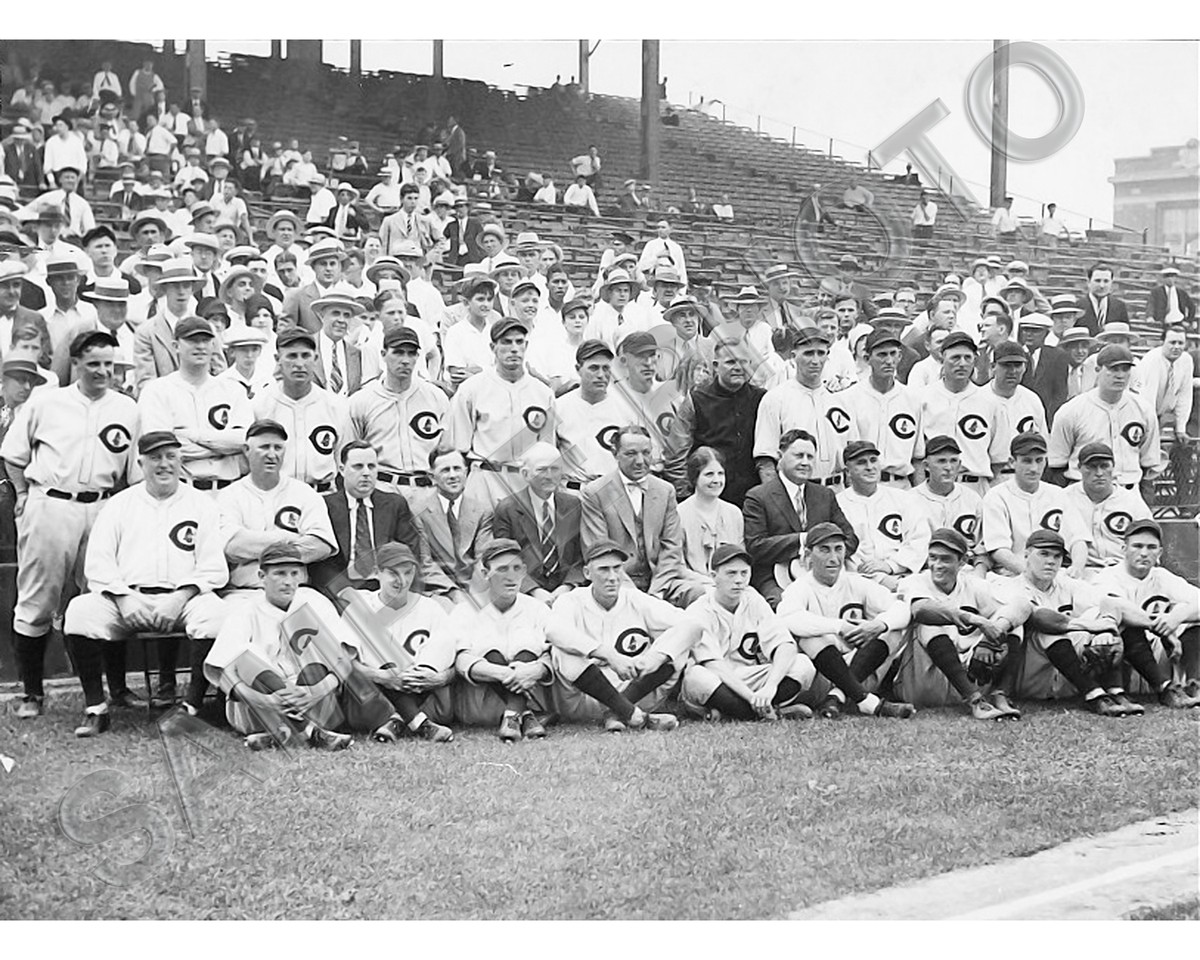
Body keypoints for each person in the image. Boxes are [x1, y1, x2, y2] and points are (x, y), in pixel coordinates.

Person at [1, 330, 138, 719]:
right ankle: (32, 693)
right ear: (76, 363)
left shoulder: (127, 409)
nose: (102, 371)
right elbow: (13, 455)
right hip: (51, 503)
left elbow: (134, 474)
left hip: (102, 505)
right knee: (37, 599)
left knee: (103, 596)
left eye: (109, 364)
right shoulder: (49, 402)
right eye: (93, 363)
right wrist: (24, 495)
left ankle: (117, 689)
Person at [62, 430, 230, 734]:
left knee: (216, 616)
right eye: (155, 458)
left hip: (183, 600)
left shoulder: (202, 504)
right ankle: (96, 709)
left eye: (170, 457)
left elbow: (213, 567)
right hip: (127, 599)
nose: (163, 464)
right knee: (79, 612)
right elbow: (98, 564)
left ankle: (190, 707)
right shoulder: (119, 504)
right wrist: (124, 599)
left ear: (181, 461)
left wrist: (180, 598)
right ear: (141, 462)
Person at [203, 541, 389, 751]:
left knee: (317, 664)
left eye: (294, 574)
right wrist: (263, 699)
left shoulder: (313, 600)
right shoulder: (245, 610)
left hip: (312, 702)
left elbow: (344, 656)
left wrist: (320, 689)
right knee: (247, 657)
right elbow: (223, 671)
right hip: (258, 707)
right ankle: (310, 732)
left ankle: (279, 736)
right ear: (262, 577)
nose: (288, 581)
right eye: (280, 573)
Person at [546, 539, 701, 731]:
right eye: (604, 569)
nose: (612, 576)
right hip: (585, 697)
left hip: (636, 692)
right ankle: (629, 713)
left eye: (617, 568)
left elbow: (692, 624)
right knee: (562, 651)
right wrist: (607, 654)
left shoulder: (635, 598)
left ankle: (621, 712)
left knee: (677, 647)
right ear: (587, 573)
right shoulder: (571, 600)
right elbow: (553, 630)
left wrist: (656, 656)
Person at [777, 522, 917, 719]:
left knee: (891, 629)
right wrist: (839, 626)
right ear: (807, 556)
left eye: (838, 549)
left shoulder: (855, 582)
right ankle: (865, 701)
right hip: (818, 677)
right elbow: (787, 618)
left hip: (859, 669)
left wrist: (879, 624)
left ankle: (838, 697)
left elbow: (901, 607)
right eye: (824, 550)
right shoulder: (799, 587)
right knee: (810, 637)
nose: (833, 558)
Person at [1005, 529, 1142, 716]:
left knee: (1098, 614)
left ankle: (1114, 692)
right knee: (1049, 629)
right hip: (1029, 676)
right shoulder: (1010, 587)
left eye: (1057, 556)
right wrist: (1088, 626)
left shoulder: (1066, 584)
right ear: (1026, 554)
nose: (1051, 561)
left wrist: (1107, 627)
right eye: (1043, 554)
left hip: (1065, 678)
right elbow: (1038, 617)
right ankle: (1092, 693)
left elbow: (1110, 602)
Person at [896, 528, 1030, 719]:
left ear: (962, 562)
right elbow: (921, 610)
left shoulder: (974, 585)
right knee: (929, 623)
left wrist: (990, 639)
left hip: (967, 674)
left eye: (945, 559)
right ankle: (975, 701)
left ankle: (1001, 695)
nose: (937, 565)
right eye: (933, 558)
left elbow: (1023, 605)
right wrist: (976, 620)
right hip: (922, 681)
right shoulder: (915, 581)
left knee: (1014, 623)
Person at [678, 543, 815, 722]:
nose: (739, 580)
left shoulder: (753, 599)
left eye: (744, 573)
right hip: (717, 680)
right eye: (731, 573)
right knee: (697, 677)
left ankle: (735, 713)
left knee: (802, 664)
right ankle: (769, 712)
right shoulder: (699, 610)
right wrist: (752, 698)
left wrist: (770, 686)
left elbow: (785, 645)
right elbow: (713, 665)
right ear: (714, 577)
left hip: (749, 675)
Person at [336, 542, 456, 742]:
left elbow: (452, 659)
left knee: (440, 646)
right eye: (393, 573)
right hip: (375, 698)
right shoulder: (361, 606)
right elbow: (344, 664)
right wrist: (382, 677)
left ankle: (398, 722)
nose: (401, 580)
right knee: (377, 657)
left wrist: (441, 678)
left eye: (408, 572)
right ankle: (419, 723)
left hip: (422, 691)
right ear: (377, 572)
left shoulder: (430, 607)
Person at [581, 425, 703, 606]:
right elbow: (599, 551)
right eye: (631, 454)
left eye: (646, 453)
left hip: (660, 582)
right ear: (615, 454)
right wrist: (638, 598)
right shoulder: (596, 493)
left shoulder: (665, 490)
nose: (640, 461)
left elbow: (672, 548)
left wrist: (656, 592)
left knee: (701, 595)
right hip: (616, 583)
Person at [449, 539, 556, 741]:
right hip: (482, 705)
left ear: (525, 571)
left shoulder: (538, 608)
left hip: (532, 690)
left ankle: (512, 715)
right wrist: (505, 673)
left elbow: (553, 654)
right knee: (488, 647)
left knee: (528, 645)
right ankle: (523, 713)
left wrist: (536, 670)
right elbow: (461, 660)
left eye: (517, 568)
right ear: (485, 573)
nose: (511, 577)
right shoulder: (465, 610)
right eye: (502, 569)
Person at [447, 317, 556, 508]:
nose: (514, 348)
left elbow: (548, 450)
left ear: (526, 345)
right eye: (506, 342)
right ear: (493, 347)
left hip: (526, 481)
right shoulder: (472, 388)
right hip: (485, 477)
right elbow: (459, 446)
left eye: (519, 341)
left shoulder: (543, 393)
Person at [216, 419, 336, 592]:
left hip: (298, 591)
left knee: (323, 616)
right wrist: (287, 538)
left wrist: (255, 547)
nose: (272, 454)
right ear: (246, 451)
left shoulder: (304, 492)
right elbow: (233, 547)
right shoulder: (229, 495)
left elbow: (321, 546)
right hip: (245, 592)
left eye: (278, 448)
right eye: (264, 447)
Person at [743, 429, 858, 608]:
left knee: (855, 601)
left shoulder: (824, 495)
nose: (805, 462)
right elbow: (755, 547)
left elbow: (850, 539)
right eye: (799, 455)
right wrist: (804, 540)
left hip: (821, 575)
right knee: (786, 605)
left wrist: (823, 556)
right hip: (775, 576)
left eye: (810, 457)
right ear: (780, 457)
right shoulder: (758, 497)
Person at [1092, 519, 1200, 706]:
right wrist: (1163, 628)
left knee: (1193, 619)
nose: (1144, 553)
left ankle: (1195, 685)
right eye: (1137, 546)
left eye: (1151, 547)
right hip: (1121, 653)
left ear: (1159, 552)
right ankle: (1165, 689)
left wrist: (1176, 617)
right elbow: (1117, 608)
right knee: (1125, 623)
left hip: (1161, 650)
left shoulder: (1162, 576)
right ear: (1123, 548)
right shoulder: (1107, 577)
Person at [137, 316, 250, 491]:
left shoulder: (233, 389)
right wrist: (224, 447)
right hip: (180, 488)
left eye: (205, 340)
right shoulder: (156, 391)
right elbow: (162, 451)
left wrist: (191, 436)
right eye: (192, 340)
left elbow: (245, 441)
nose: (200, 346)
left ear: (214, 345)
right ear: (176, 346)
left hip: (228, 489)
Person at [309, 440, 428, 596]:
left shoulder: (394, 504)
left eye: (371, 466)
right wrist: (345, 593)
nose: (366, 473)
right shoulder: (325, 506)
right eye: (358, 466)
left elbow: (410, 552)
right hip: (342, 589)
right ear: (342, 470)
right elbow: (320, 563)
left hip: (386, 586)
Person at [347, 326, 448, 495]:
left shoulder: (436, 397)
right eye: (398, 352)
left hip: (428, 489)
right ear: (383, 354)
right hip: (382, 488)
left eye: (411, 353)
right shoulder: (361, 400)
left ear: (418, 356)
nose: (405, 360)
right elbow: (350, 454)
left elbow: (447, 450)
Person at [1048, 344, 1161, 493]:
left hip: (1129, 491)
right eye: (1113, 369)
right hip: (1082, 492)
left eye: (1125, 369)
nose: (1120, 375)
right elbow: (1057, 464)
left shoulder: (1143, 410)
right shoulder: (1071, 410)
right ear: (1098, 370)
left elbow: (1149, 463)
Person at [665, 335, 762, 503]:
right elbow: (676, 455)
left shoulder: (762, 399)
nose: (739, 367)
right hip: (708, 497)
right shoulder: (696, 400)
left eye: (744, 362)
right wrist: (686, 497)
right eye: (731, 362)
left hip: (753, 498)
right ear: (716, 366)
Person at [753, 327, 851, 489]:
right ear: (793, 356)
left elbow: (851, 452)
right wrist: (777, 500)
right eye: (808, 353)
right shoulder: (775, 398)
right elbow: (765, 460)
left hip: (837, 488)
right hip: (796, 489)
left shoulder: (839, 399)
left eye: (821, 353)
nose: (815, 360)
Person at [252, 327, 348, 491]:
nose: (299, 364)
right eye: (291, 356)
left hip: (323, 494)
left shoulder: (335, 405)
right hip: (276, 494)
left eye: (305, 356)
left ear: (316, 358)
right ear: (278, 359)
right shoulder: (261, 404)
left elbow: (345, 461)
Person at [981, 432, 1088, 577]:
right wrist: (1031, 573)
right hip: (1010, 575)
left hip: (1055, 573)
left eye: (1039, 460)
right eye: (1027, 461)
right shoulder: (996, 496)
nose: (1034, 468)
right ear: (1012, 462)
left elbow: (1078, 539)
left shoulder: (1058, 494)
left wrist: (1077, 567)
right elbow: (998, 549)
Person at [492, 443, 585, 601]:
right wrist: (533, 590)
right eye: (541, 470)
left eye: (555, 469)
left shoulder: (573, 505)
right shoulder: (508, 509)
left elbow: (580, 555)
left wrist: (568, 587)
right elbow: (505, 558)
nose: (549, 476)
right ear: (525, 474)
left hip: (568, 593)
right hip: (524, 594)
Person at [918, 331, 1006, 497]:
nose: (962, 363)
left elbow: (998, 457)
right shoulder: (923, 398)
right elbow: (917, 452)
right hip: (932, 487)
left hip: (974, 484)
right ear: (942, 359)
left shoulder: (990, 401)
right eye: (955, 358)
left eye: (968, 358)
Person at [836, 440, 929, 590]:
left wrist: (891, 566)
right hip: (858, 582)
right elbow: (844, 553)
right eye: (861, 463)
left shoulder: (903, 498)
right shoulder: (838, 504)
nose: (870, 467)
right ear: (848, 472)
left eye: (873, 460)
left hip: (905, 575)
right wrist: (879, 578)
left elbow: (919, 539)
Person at [842, 329, 925, 487]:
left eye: (893, 354)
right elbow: (847, 454)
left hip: (901, 486)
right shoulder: (850, 398)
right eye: (881, 355)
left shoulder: (912, 399)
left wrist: (919, 496)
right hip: (863, 486)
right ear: (867, 358)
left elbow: (918, 457)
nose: (888, 361)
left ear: (900, 356)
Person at [411, 448, 492, 606]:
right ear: (432, 476)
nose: (453, 475)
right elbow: (425, 562)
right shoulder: (417, 511)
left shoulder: (482, 510)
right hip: (436, 588)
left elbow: (484, 557)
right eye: (445, 470)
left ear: (466, 473)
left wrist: (475, 595)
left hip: (474, 587)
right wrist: (453, 593)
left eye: (457, 469)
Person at [1065, 442, 1152, 574]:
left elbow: (1149, 541)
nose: (1099, 473)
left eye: (1104, 466)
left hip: (1122, 571)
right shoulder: (1064, 498)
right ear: (1079, 468)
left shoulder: (1132, 502)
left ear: (1114, 467)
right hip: (1079, 570)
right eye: (1091, 467)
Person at [555, 339, 631, 487]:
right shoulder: (559, 407)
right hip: (573, 490)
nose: (601, 375)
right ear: (578, 369)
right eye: (594, 368)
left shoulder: (626, 407)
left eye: (606, 368)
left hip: (613, 491)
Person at [676, 447, 745, 589]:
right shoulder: (679, 514)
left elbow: (740, 559)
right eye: (709, 474)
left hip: (732, 584)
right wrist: (711, 583)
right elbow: (678, 566)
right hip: (694, 585)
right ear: (695, 477)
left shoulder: (734, 513)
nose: (716, 480)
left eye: (720, 474)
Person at [988, 341, 1049, 465]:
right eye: (1006, 365)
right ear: (993, 366)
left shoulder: (1032, 399)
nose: (1013, 371)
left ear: (1025, 367)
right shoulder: (978, 399)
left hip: (1025, 474)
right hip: (991, 475)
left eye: (1018, 365)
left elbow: (1044, 444)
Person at [1133, 324, 1193, 437]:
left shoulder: (1186, 360)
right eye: (1172, 342)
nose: (1176, 347)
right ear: (1162, 343)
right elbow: (1148, 398)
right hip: (1141, 414)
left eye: (1181, 343)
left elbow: (1185, 395)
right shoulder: (1152, 360)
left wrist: (1181, 429)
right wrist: (1151, 429)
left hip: (1163, 412)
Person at [1017, 315, 1069, 423]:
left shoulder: (1057, 356)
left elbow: (1060, 392)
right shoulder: (1015, 354)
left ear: (1046, 334)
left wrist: (1049, 419)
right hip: (1018, 414)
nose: (1029, 335)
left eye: (1035, 331)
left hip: (1046, 417)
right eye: (1026, 330)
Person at [1077, 263, 1130, 337]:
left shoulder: (1120, 306)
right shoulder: (1078, 306)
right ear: (1088, 282)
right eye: (1097, 281)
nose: (1102, 286)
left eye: (1106, 281)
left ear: (1111, 283)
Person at [636, 221, 687, 286]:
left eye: (663, 227)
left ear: (670, 229)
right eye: (658, 227)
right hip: (655, 277)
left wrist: (682, 289)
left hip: (672, 278)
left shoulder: (676, 247)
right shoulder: (651, 245)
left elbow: (681, 268)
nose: (660, 230)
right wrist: (657, 256)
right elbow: (642, 266)